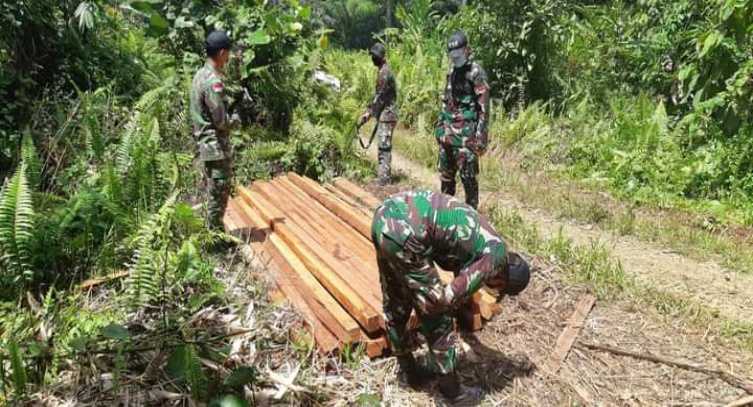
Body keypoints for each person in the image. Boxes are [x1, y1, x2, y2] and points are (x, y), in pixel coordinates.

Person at [371, 189, 530, 403]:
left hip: (385, 216)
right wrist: (440, 309)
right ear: (504, 279)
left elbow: (460, 271)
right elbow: (448, 298)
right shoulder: (496, 257)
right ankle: (453, 392)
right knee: (437, 312)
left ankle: (409, 372)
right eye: (498, 289)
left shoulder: (486, 238)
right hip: (406, 232)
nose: (493, 290)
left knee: (396, 302)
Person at [435, 31, 490, 209]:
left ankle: (471, 217)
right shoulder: (451, 72)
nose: (456, 59)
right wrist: (439, 127)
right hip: (448, 135)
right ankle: (444, 216)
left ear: (467, 50)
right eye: (453, 57)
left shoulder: (476, 73)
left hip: (467, 138)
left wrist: (481, 137)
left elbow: (483, 109)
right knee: (446, 177)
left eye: (458, 55)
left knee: (468, 179)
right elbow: (446, 101)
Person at [190, 30, 238, 229]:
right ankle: (214, 238)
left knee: (212, 190)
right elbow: (221, 121)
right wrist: (236, 118)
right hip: (215, 147)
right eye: (228, 53)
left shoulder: (200, 75)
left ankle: (211, 233)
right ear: (220, 53)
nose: (229, 57)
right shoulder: (212, 81)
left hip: (206, 144)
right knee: (219, 191)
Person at [358, 43, 398, 186]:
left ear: (382, 57)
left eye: (375, 56)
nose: (373, 58)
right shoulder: (382, 70)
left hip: (388, 115)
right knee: (382, 144)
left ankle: (384, 178)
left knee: (384, 146)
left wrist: (367, 114)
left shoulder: (384, 74)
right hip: (385, 114)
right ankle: (383, 176)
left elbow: (378, 98)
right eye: (372, 56)